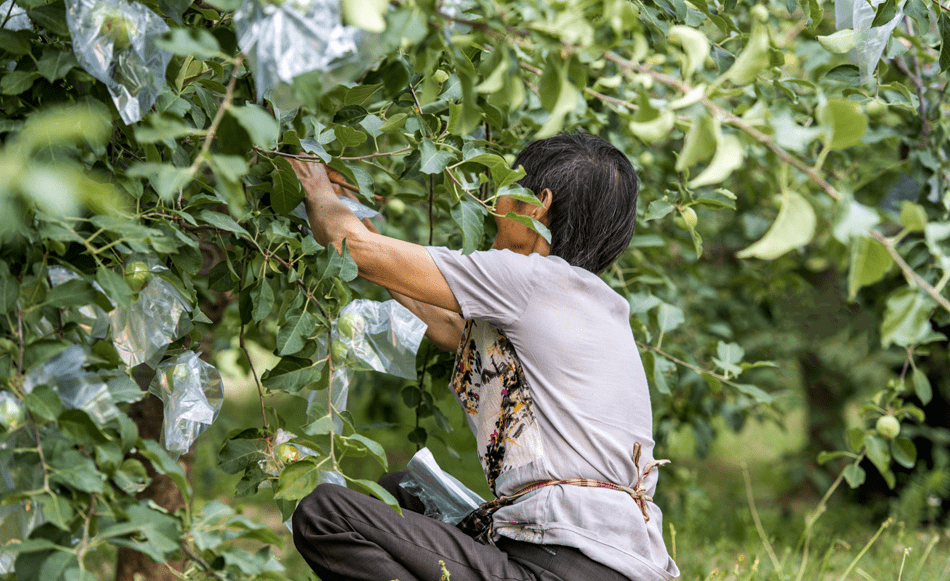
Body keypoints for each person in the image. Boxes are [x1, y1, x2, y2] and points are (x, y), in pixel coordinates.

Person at [289, 132, 680, 581]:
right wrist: (353, 211)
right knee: (405, 493)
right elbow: (450, 325)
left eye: (505, 189)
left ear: (536, 205)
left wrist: (312, 179)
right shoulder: (594, 306)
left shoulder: (527, 281)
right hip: (618, 566)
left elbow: (353, 248)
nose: (492, 204)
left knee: (326, 514)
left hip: (556, 567)